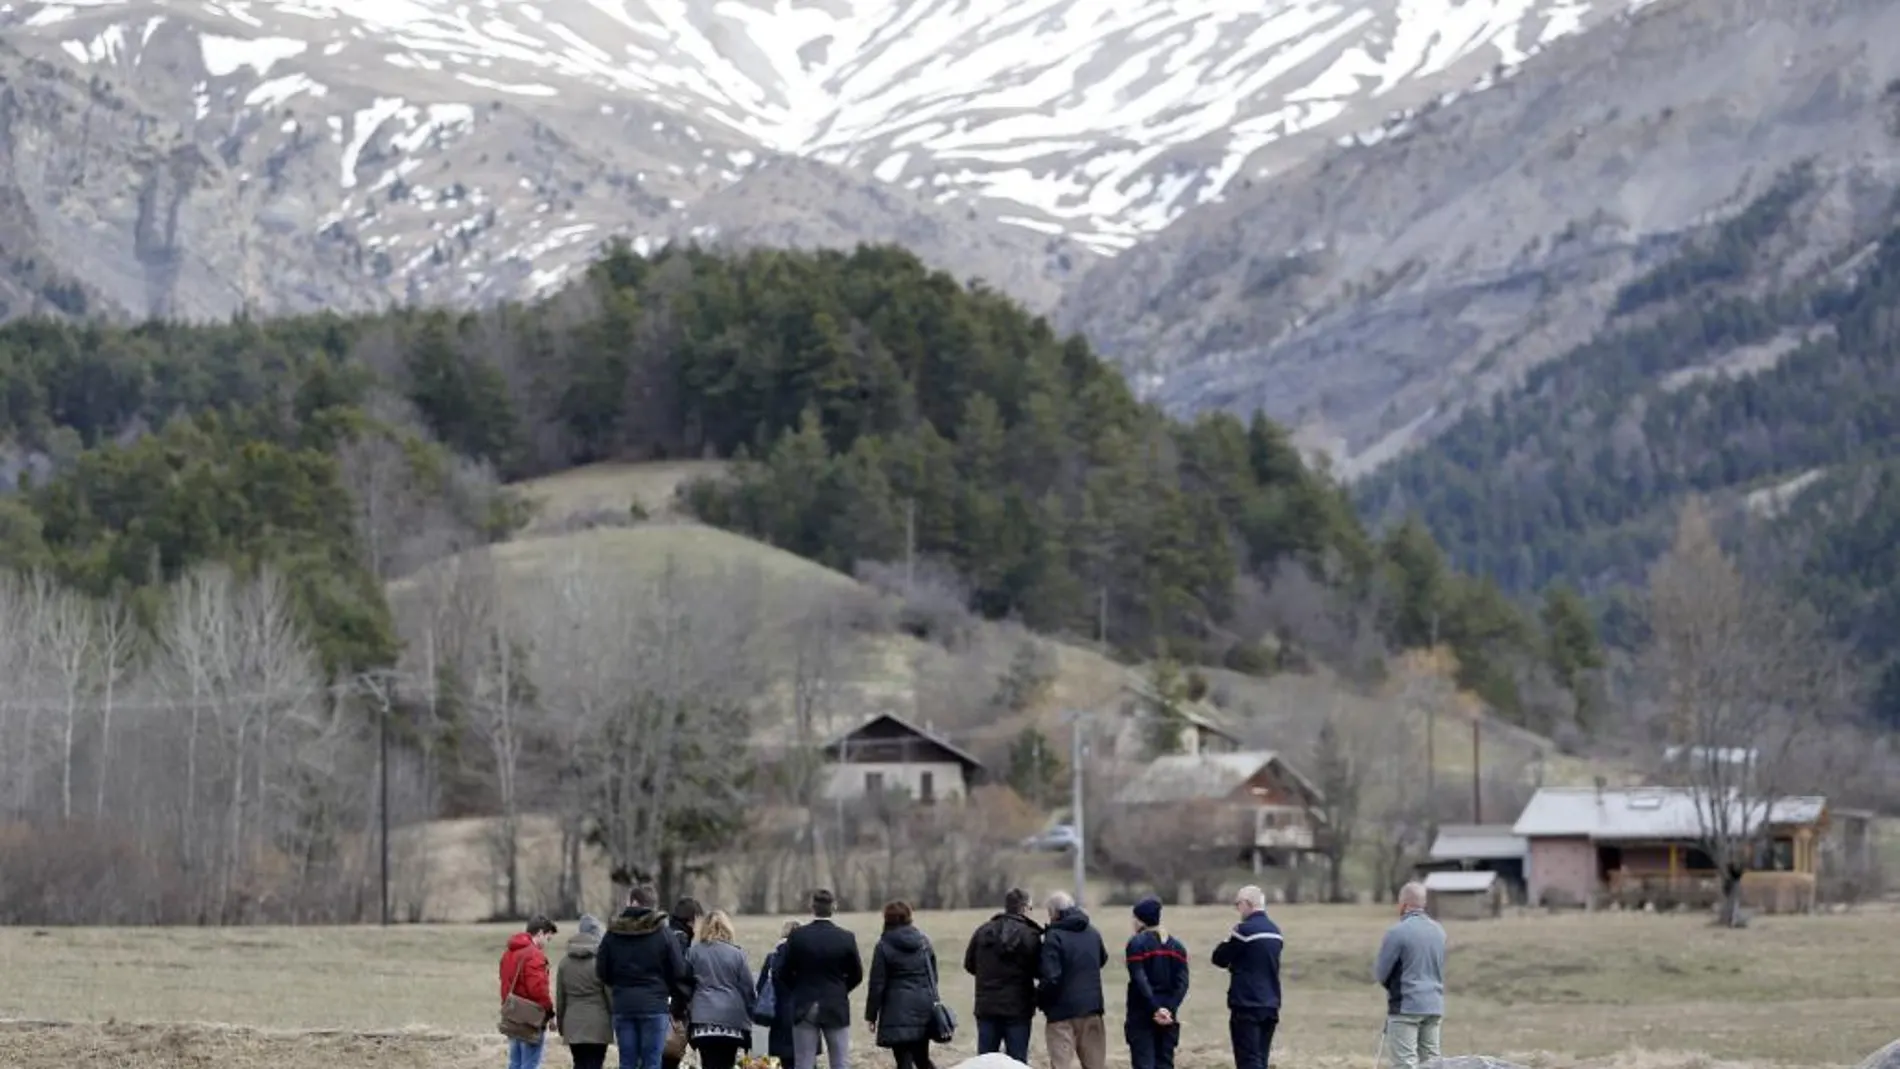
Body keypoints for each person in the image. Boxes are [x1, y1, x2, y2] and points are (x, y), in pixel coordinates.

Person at [597, 883, 694, 1069]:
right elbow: (679, 970)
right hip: (654, 1004)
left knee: (627, 1061)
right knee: (652, 1061)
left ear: (633, 902)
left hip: (623, 1004)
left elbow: (602, 970)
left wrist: (618, 985)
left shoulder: (613, 933)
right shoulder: (663, 933)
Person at [778, 889, 864, 1069]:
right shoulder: (846, 937)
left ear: (812, 907)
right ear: (834, 907)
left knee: (803, 1061)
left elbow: (783, 971)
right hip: (835, 1004)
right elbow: (857, 974)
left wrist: (799, 988)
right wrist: (840, 989)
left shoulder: (798, 936)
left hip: (804, 1003)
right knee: (840, 1061)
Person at [1374, 882, 1447, 1069]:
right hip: (1434, 1005)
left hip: (1406, 1006)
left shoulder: (1397, 932)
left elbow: (1382, 972)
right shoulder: (1439, 931)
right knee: (1432, 1062)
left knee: (1405, 1063)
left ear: (1403, 904)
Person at [964, 887, 1043, 1062]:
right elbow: (1040, 970)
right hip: (1018, 1007)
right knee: (1017, 1060)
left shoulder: (983, 931)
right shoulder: (1030, 935)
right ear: (1023, 908)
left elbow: (969, 964)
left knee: (985, 1061)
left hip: (987, 1005)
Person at [1211, 885, 1283, 1069]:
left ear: (1247, 904)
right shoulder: (1275, 931)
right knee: (1261, 1058)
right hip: (1271, 1002)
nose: (1237, 909)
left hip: (1246, 1002)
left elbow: (1219, 958)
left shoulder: (1244, 931)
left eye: (1238, 904)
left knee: (1248, 1060)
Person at [1038, 891, 1108, 1069]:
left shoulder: (1054, 937)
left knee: (1061, 1065)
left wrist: (1040, 1000)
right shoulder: (1093, 932)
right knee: (1095, 1065)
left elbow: (1051, 977)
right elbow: (1102, 959)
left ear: (1054, 913)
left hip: (1061, 1015)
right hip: (1092, 1009)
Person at [867, 900, 941, 1069]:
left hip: (896, 1010)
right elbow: (933, 975)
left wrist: (871, 1015)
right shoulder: (923, 942)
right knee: (923, 1059)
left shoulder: (883, 945)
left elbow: (877, 983)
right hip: (923, 1006)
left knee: (903, 1062)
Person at [686, 910, 758, 1069]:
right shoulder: (737, 954)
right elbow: (748, 988)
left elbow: (686, 984)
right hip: (731, 1020)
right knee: (727, 1062)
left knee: (708, 1062)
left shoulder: (693, 953)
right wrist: (753, 1014)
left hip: (702, 1020)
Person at [1123, 897, 1189, 1069]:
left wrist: (1155, 1008)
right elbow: (1182, 982)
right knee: (1165, 1062)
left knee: (1144, 1063)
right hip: (1168, 1016)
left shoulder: (1137, 944)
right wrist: (1169, 1009)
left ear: (1140, 920)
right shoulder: (1177, 947)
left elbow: (1139, 978)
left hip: (1142, 1012)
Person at [502, 915, 560, 1069]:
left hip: (512, 1016)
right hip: (531, 1020)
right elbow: (538, 991)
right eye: (548, 938)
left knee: (515, 1063)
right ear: (540, 933)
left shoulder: (509, 953)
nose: (547, 944)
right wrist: (550, 1014)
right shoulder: (534, 955)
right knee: (530, 1065)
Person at [557, 915, 615, 1069]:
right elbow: (610, 996)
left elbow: (560, 999)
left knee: (579, 1063)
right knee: (596, 1063)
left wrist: (561, 1025)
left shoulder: (564, 963)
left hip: (573, 1024)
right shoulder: (601, 962)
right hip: (598, 1025)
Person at [759, 920, 801, 1066]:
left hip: (780, 1019)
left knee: (786, 1063)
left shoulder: (772, 958)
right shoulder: (808, 958)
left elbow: (760, 988)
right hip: (804, 1018)